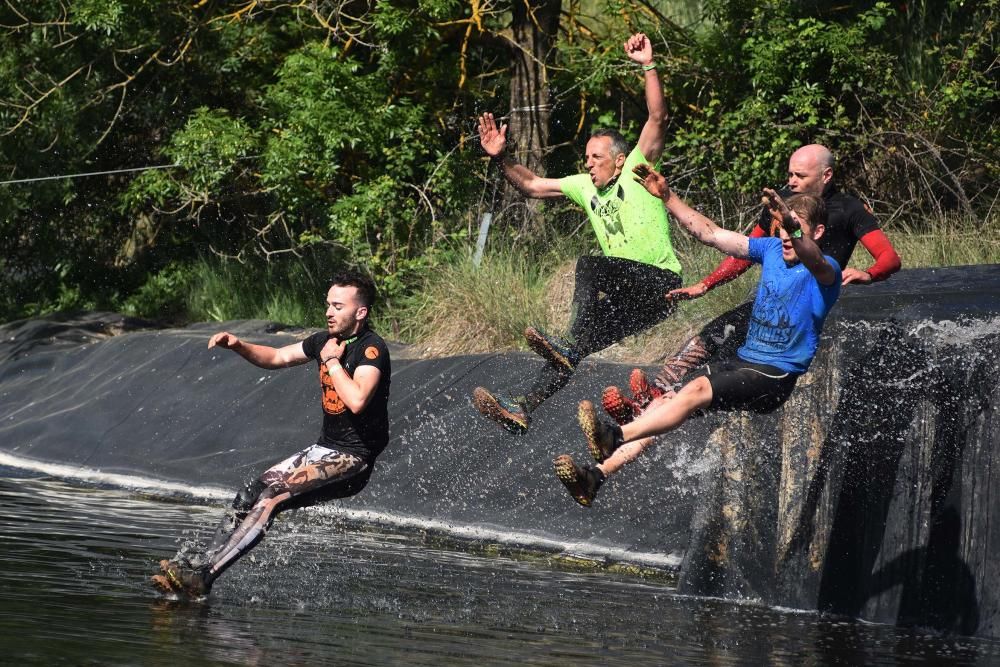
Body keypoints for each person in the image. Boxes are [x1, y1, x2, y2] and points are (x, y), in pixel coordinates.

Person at [554, 164, 841, 507]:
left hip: (774, 376)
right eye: (781, 229)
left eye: (795, 230)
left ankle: (614, 435)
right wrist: (667, 197)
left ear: (818, 232)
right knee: (665, 403)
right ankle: (596, 476)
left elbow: (812, 256)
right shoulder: (770, 251)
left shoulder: (827, 271)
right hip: (743, 362)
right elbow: (712, 233)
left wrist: (793, 226)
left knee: (697, 389)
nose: (785, 238)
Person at [472, 32, 683, 434]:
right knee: (574, 349)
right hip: (634, 299)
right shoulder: (585, 187)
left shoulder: (638, 166)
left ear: (619, 161)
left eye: (596, 158)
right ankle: (524, 407)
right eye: (585, 158)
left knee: (589, 266)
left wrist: (648, 65)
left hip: (662, 285)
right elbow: (533, 185)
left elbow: (658, 118)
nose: (588, 165)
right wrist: (503, 158)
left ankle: (566, 345)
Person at [602, 144, 901, 424]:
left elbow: (889, 257)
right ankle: (651, 396)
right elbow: (747, 249)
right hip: (773, 300)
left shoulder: (848, 208)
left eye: (800, 175)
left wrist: (870, 273)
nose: (791, 181)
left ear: (826, 176)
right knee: (712, 334)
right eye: (789, 174)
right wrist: (707, 284)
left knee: (720, 377)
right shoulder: (780, 204)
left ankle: (657, 406)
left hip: (808, 305)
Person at [151, 271, 391, 597]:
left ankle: (205, 578)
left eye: (337, 306)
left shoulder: (372, 349)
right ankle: (197, 566)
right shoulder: (323, 340)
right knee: (250, 493)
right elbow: (278, 357)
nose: (329, 312)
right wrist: (238, 345)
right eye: (327, 305)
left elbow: (358, 400)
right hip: (324, 449)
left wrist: (332, 363)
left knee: (273, 497)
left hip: (353, 459)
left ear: (360, 312)